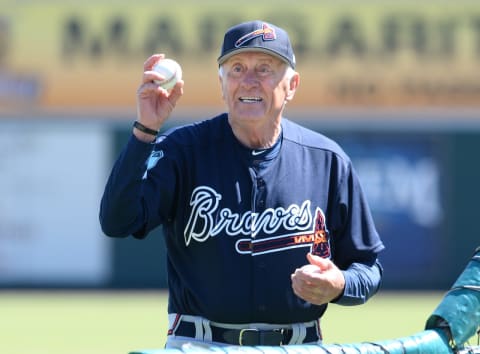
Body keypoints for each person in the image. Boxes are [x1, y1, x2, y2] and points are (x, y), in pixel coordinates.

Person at [99, 20, 385, 349]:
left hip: (299, 345)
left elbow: (368, 266)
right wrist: (145, 130)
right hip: (200, 344)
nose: (248, 81)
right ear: (222, 84)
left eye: (264, 68)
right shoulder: (182, 151)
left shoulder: (327, 160)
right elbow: (117, 221)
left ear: (291, 85)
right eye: (236, 68)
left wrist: (341, 284)